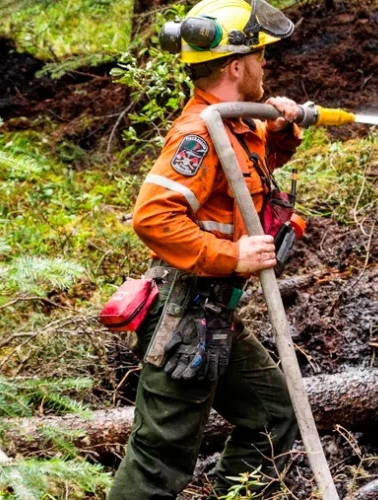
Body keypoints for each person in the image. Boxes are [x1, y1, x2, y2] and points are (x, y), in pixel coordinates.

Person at [108, 0, 303, 498]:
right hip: (184, 314)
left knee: (269, 416)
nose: (266, 66)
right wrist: (232, 257)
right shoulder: (199, 133)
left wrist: (280, 135)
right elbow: (153, 216)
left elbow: (243, 182)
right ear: (237, 66)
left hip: (213, 311)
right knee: (159, 461)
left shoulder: (234, 124)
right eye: (260, 57)